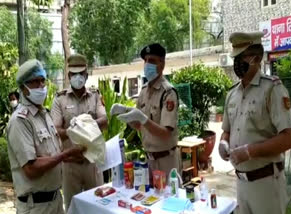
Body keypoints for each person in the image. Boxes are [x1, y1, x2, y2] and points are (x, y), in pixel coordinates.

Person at [218, 32, 291, 214]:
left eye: (241, 57)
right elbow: (226, 131)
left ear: (257, 58)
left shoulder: (272, 89)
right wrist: (223, 143)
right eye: (235, 57)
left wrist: (249, 151)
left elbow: (289, 139)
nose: (237, 62)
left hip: (266, 182)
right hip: (240, 182)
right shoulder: (232, 94)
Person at [7, 59, 85, 214]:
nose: (41, 86)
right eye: (35, 82)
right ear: (23, 88)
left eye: (43, 80)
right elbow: (31, 168)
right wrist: (66, 155)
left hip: (55, 201)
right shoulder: (20, 121)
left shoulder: (45, 115)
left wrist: (74, 156)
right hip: (35, 207)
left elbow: (52, 155)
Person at [111, 43, 180, 178]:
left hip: (166, 160)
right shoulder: (143, 91)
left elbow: (166, 133)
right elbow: (138, 125)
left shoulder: (168, 93)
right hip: (149, 160)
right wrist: (125, 113)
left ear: (162, 64)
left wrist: (144, 119)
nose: (147, 65)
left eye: (152, 61)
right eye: (146, 61)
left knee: (168, 198)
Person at [51, 54, 107, 210]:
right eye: (74, 74)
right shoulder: (59, 99)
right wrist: (72, 132)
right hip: (70, 164)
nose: (77, 77)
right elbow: (55, 129)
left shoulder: (95, 96)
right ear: (69, 76)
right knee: (71, 208)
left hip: (92, 163)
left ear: (86, 75)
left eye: (81, 74)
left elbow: (104, 121)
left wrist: (84, 126)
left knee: (98, 206)